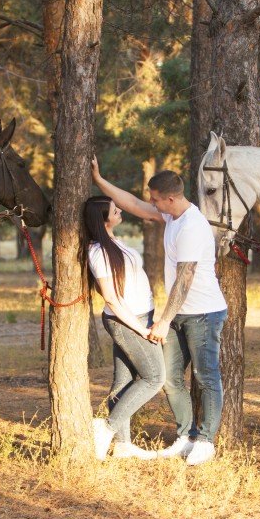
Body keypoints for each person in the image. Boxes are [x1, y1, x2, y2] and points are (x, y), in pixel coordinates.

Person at [92, 158, 227, 466]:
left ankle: (205, 441)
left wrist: (163, 321)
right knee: (170, 379)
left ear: (170, 198)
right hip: (179, 314)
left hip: (204, 315)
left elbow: (186, 277)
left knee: (205, 377)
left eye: (155, 199)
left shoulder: (192, 225)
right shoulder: (172, 217)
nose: (151, 204)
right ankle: (186, 437)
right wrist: (100, 181)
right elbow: (135, 203)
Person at [83, 194, 165, 461]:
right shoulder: (98, 251)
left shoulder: (114, 242)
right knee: (154, 378)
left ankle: (122, 445)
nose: (120, 211)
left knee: (123, 382)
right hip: (126, 321)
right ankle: (105, 428)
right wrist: (141, 330)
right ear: (102, 219)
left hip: (142, 315)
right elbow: (111, 299)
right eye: (114, 209)